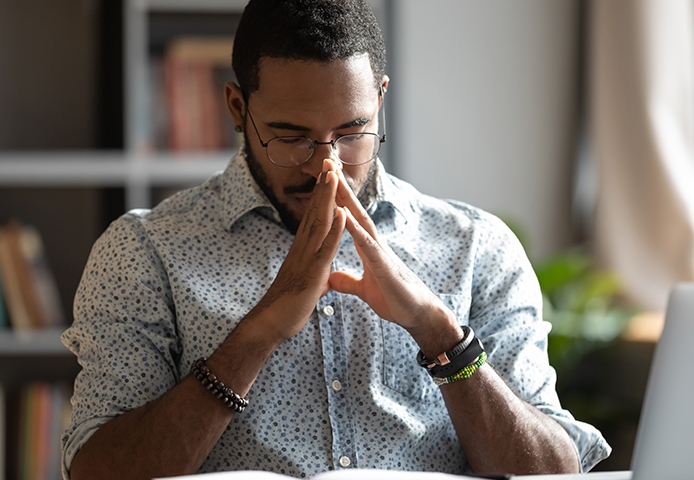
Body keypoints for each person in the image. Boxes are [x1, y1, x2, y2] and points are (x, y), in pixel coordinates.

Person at [61, 1, 611, 479]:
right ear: (237, 109)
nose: (328, 167)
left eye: (351, 133)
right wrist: (260, 330)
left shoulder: (477, 248)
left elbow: (554, 472)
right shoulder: (143, 252)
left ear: (380, 100)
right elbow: (98, 471)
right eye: (291, 136)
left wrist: (437, 331)